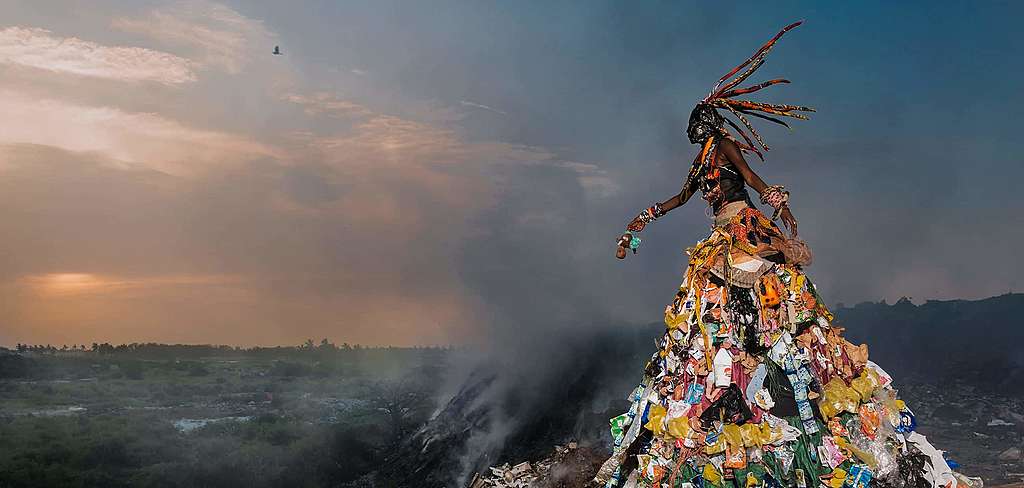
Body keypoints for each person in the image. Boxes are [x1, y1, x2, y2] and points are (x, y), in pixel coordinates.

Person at [596, 22, 968, 488]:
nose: (690, 130)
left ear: (708, 122)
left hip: (742, 225)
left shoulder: (725, 147)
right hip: (720, 234)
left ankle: (784, 365)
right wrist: (641, 220)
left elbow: (750, 177)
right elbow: (680, 198)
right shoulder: (699, 163)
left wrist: (775, 198)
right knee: (710, 308)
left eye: (695, 123)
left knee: (768, 290)